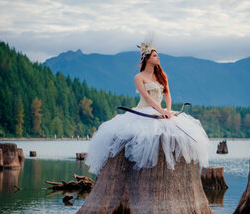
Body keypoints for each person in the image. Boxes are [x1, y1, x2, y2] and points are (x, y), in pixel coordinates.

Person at [85, 39, 210, 174]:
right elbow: (147, 97)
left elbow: (167, 95)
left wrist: (168, 111)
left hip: (162, 111)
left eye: (158, 55)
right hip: (144, 110)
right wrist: (161, 110)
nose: (158, 58)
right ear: (148, 59)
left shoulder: (162, 75)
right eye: (155, 56)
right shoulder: (138, 77)